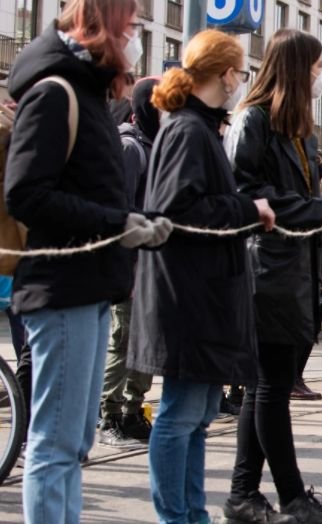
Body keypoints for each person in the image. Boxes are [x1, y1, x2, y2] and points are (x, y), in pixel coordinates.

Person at [5, 1, 172, 521]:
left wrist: (123, 222)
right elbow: (26, 193)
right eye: (130, 21)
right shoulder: (57, 92)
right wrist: (115, 222)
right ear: (97, 22)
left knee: (71, 444)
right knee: (56, 446)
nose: (137, 31)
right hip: (62, 285)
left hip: (89, 282)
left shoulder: (85, 89)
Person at [129, 29, 275, 523]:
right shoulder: (189, 129)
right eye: (240, 72)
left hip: (199, 292)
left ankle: (191, 514)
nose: (240, 81)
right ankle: (178, 516)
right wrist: (247, 207)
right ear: (227, 73)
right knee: (181, 415)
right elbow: (177, 208)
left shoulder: (196, 126)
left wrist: (243, 208)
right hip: (188, 294)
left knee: (194, 417)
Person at [223, 29, 322, 523]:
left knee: (265, 387)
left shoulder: (297, 128)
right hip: (264, 267)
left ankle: (243, 496)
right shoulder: (253, 120)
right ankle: (292, 497)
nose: (321, 75)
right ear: (297, 68)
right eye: (317, 66)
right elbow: (246, 191)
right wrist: (316, 209)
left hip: (291, 268)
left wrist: (318, 212)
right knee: (271, 386)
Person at [99, 76, 161, 449]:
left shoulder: (155, 146)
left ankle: (132, 409)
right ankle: (109, 415)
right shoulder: (131, 148)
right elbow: (122, 212)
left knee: (145, 343)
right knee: (123, 340)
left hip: (152, 264)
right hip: (132, 266)